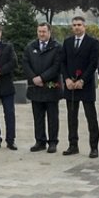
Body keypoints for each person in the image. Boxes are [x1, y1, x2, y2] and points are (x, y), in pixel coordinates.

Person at [62, 15, 99, 157]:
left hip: (86, 85)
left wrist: (83, 80)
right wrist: (66, 79)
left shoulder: (93, 42)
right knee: (71, 117)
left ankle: (94, 147)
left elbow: (93, 63)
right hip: (71, 86)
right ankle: (73, 145)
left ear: (84, 26)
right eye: (74, 25)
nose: (77, 27)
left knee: (91, 117)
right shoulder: (67, 42)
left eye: (79, 24)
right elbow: (63, 62)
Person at [25, 22, 62, 153]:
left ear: (49, 32)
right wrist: (34, 78)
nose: (41, 34)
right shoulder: (30, 47)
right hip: (35, 88)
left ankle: (52, 142)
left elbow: (57, 66)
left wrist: (42, 78)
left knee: (52, 117)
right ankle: (40, 141)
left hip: (51, 88)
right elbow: (26, 63)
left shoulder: (57, 47)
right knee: (38, 116)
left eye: (44, 31)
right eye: (39, 31)